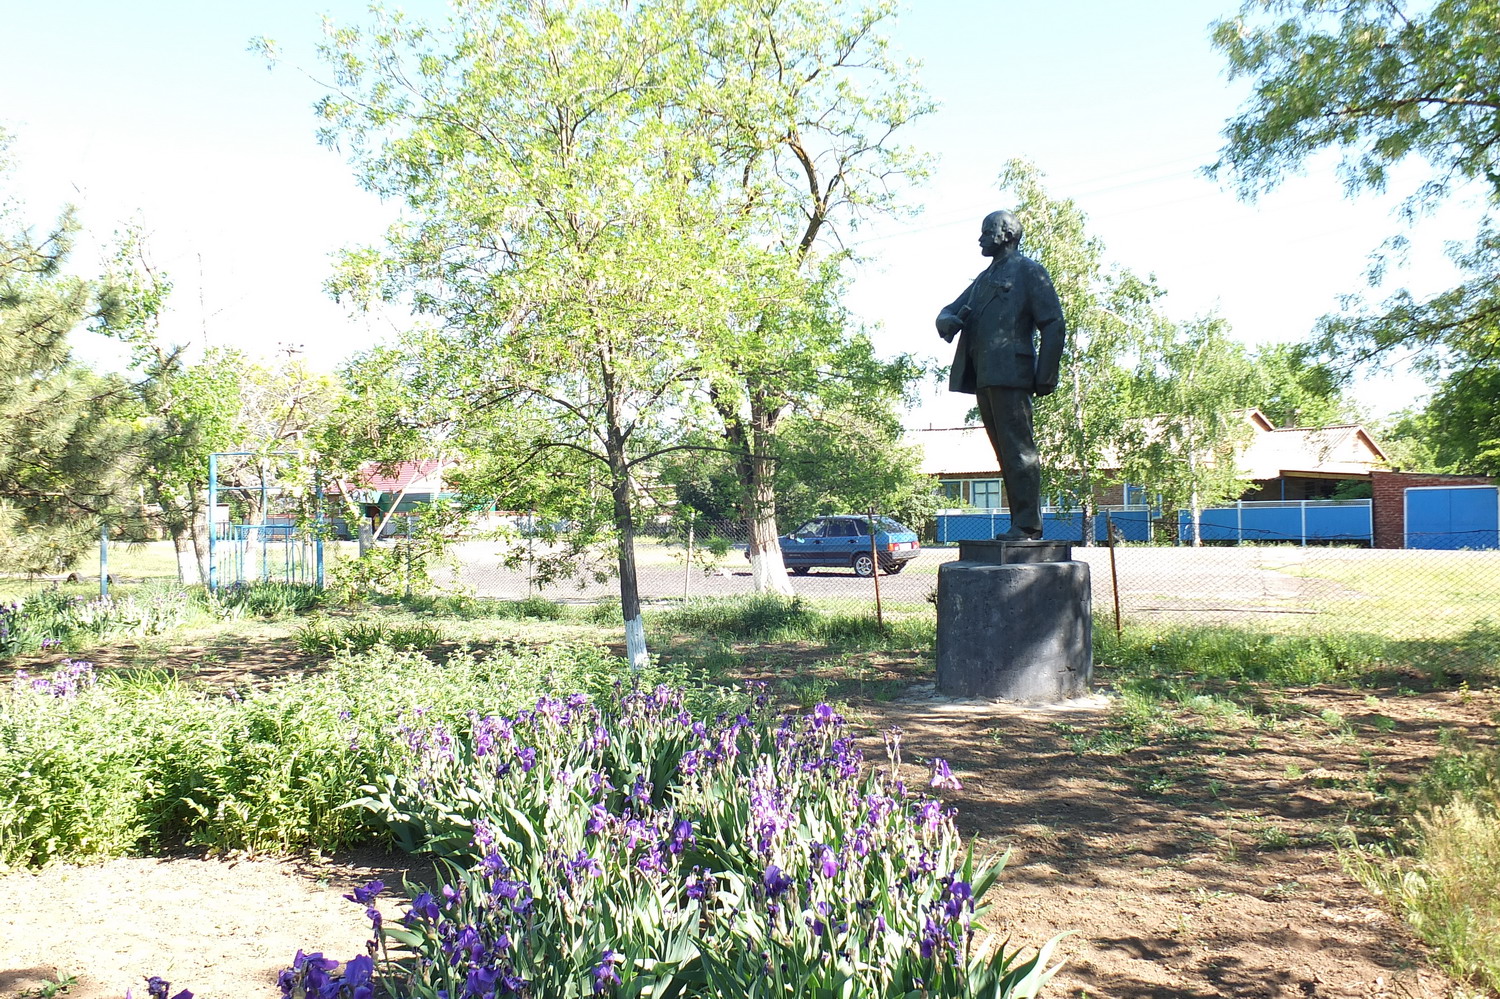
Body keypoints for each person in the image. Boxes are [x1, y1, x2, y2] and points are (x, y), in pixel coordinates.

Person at [935, 210, 1067, 541]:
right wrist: (946, 322)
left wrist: (1045, 375)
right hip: (984, 376)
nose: (979, 239)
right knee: (1004, 453)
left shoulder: (1029, 272)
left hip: (1013, 373)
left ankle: (1027, 526)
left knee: (1019, 450)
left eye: (985, 232)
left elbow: (1053, 323)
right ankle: (1019, 524)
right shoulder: (983, 279)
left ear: (1005, 234)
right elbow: (948, 310)